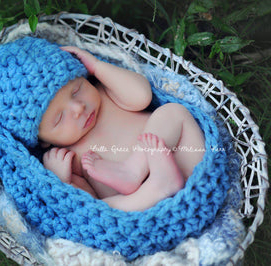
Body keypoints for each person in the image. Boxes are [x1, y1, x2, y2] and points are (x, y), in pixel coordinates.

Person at [38, 46, 205, 212]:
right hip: (145, 202)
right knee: (103, 209)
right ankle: (158, 189)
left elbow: (142, 95)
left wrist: (97, 66)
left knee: (174, 112)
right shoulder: (66, 157)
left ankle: (134, 169)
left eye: (76, 91)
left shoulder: (105, 93)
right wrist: (62, 180)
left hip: (185, 165)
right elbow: (87, 203)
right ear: (44, 142)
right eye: (59, 118)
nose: (78, 108)